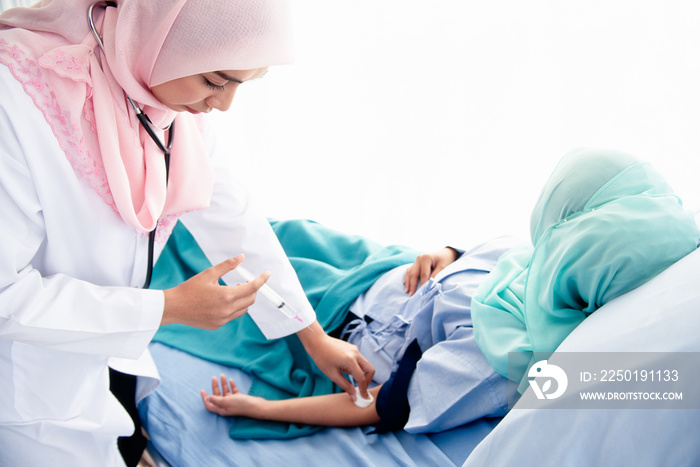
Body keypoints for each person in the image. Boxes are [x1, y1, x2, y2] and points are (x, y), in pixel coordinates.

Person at [0, 1, 373, 465]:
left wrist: (312, 336)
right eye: (216, 80)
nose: (223, 104)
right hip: (24, 380)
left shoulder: (157, 92)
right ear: (156, 29)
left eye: (243, 83)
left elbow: (234, 221)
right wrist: (167, 308)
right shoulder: (14, 102)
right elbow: (5, 297)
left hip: (103, 352)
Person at [200, 148, 699, 433]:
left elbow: (381, 403)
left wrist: (259, 408)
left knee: (212, 264)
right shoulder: (547, 258)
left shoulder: (501, 359)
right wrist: (448, 253)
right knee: (264, 229)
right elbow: (498, 254)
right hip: (379, 267)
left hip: (344, 325)